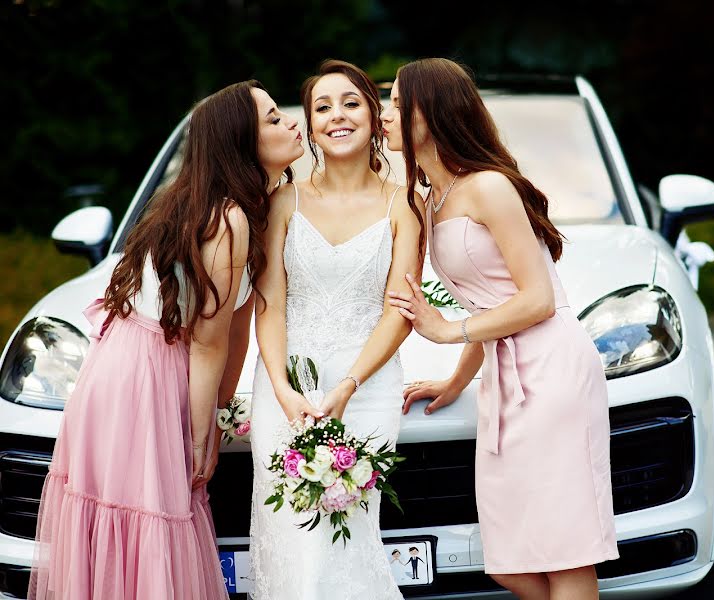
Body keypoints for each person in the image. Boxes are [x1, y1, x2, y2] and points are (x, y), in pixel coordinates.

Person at [28, 80, 304, 600]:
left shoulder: (243, 208)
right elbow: (207, 341)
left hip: (134, 366)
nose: (292, 123)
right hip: (142, 377)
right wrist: (201, 438)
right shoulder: (228, 218)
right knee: (158, 513)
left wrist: (218, 408)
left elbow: (236, 328)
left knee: (143, 524)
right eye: (273, 118)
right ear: (241, 142)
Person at [383, 58, 619, 600]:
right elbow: (489, 303)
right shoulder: (428, 200)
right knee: (509, 561)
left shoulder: (487, 187)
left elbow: (536, 299)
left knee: (565, 550)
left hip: (553, 368)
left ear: (433, 111)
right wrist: (456, 380)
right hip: (503, 376)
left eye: (397, 102)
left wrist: (447, 333)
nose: (385, 114)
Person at [249, 59, 424, 599]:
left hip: (366, 389)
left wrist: (348, 385)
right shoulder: (284, 200)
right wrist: (281, 388)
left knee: (348, 539)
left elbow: (400, 311)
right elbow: (269, 303)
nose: (337, 116)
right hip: (286, 390)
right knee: (294, 542)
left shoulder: (404, 204)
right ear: (311, 124)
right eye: (321, 107)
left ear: (374, 115)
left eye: (350, 102)